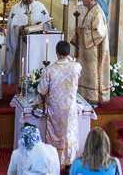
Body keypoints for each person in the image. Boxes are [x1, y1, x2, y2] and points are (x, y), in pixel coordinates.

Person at [37, 41, 82, 173]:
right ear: (69, 53)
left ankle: (53, 163)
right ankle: (68, 165)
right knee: (69, 135)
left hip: (55, 110)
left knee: (55, 135)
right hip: (70, 109)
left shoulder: (49, 69)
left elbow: (42, 91)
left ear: (55, 52)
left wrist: (44, 104)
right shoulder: (76, 67)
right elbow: (75, 65)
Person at [4, 0, 51, 86]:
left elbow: (48, 24)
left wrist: (41, 25)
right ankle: (22, 87)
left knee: (35, 64)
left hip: (37, 45)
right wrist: (19, 29)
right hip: (22, 45)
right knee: (23, 66)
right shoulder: (15, 9)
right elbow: (11, 27)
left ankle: (37, 86)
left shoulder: (40, 6)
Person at [72, 0, 110, 105]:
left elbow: (99, 33)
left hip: (94, 53)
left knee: (93, 74)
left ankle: (94, 98)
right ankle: (84, 96)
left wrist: (82, 31)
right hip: (86, 51)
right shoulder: (89, 11)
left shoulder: (97, 13)